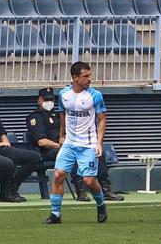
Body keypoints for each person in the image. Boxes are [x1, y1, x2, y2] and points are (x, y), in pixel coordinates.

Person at [27, 88, 123, 202]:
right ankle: (80, 191)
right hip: (48, 152)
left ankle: (106, 189)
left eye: (51, 99)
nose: (49, 102)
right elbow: (42, 142)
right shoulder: (35, 117)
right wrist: (63, 146)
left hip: (68, 145)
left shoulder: (58, 116)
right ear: (39, 100)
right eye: (46, 99)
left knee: (96, 150)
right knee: (72, 152)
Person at [45, 62, 109, 224]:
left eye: (90, 75)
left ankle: (101, 204)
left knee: (89, 181)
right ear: (75, 77)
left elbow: (102, 120)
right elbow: (63, 117)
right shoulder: (64, 94)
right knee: (58, 175)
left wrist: (99, 143)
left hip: (88, 144)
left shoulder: (95, 95)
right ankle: (55, 214)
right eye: (85, 76)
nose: (89, 79)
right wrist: (61, 136)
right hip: (69, 143)